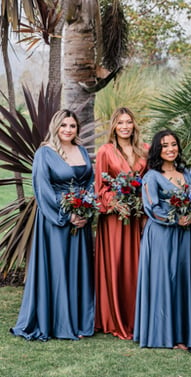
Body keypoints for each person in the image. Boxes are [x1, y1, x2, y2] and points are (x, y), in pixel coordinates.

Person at [11, 110, 95, 341]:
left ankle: (79, 322)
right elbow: (43, 190)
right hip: (55, 220)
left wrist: (86, 210)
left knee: (78, 269)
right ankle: (60, 323)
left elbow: (90, 182)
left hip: (82, 219)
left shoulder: (82, 151)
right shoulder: (44, 153)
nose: (68, 130)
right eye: (64, 125)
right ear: (56, 127)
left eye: (73, 126)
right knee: (58, 269)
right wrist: (67, 216)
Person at [133, 129, 191, 349]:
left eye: (173, 144)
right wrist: (176, 220)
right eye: (164, 145)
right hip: (162, 234)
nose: (170, 149)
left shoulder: (186, 174)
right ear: (157, 150)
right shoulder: (151, 176)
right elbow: (152, 207)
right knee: (164, 280)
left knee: (182, 279)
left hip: (185, 235)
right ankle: (163, 335)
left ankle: (183, 334)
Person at [93, 107, 148, 340]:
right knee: (116, 265)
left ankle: (136, 317)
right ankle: (114, 316)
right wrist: (115, 203)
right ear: (114, 126)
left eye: (129, 122)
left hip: (137, 217)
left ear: (134, 125)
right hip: (115, 219)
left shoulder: (144, 150)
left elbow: (149, 183)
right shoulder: (105, 151)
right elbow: (99, 188)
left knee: (136, 266)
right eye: (120, 123)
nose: (125, 126)